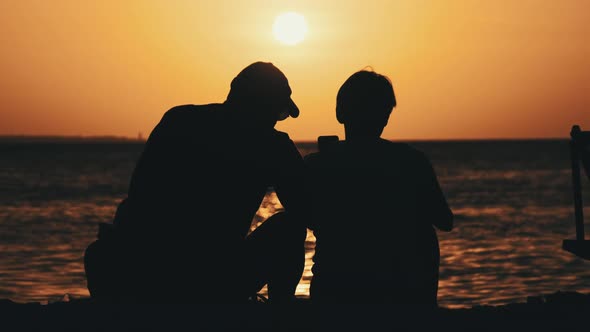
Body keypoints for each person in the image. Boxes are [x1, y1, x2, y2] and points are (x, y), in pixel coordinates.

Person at [84, 61, 308, 304]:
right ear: (262, 106)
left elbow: (138, 194)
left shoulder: (179, 120)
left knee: (100, 253)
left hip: (143, 272)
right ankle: (281, 317)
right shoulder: (272, 146)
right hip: (214, 281)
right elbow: (307, 209)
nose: (277, 121)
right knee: (290, 227)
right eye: (278, 112)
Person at [304, 69, 453, 307]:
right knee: (424, 230)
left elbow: (309, 217)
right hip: (400, 292)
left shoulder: (318, 163)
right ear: (385, 116)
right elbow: (445, 221)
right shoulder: (411, 161)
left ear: (340, 113)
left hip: (335, 291)